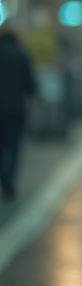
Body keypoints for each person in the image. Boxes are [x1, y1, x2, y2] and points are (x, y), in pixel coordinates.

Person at [0, 29, 36, 200]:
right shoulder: (21, 55)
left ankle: (3, 179)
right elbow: (30, 83)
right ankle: (9, 182)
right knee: (13, 146)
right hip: (15, 109)